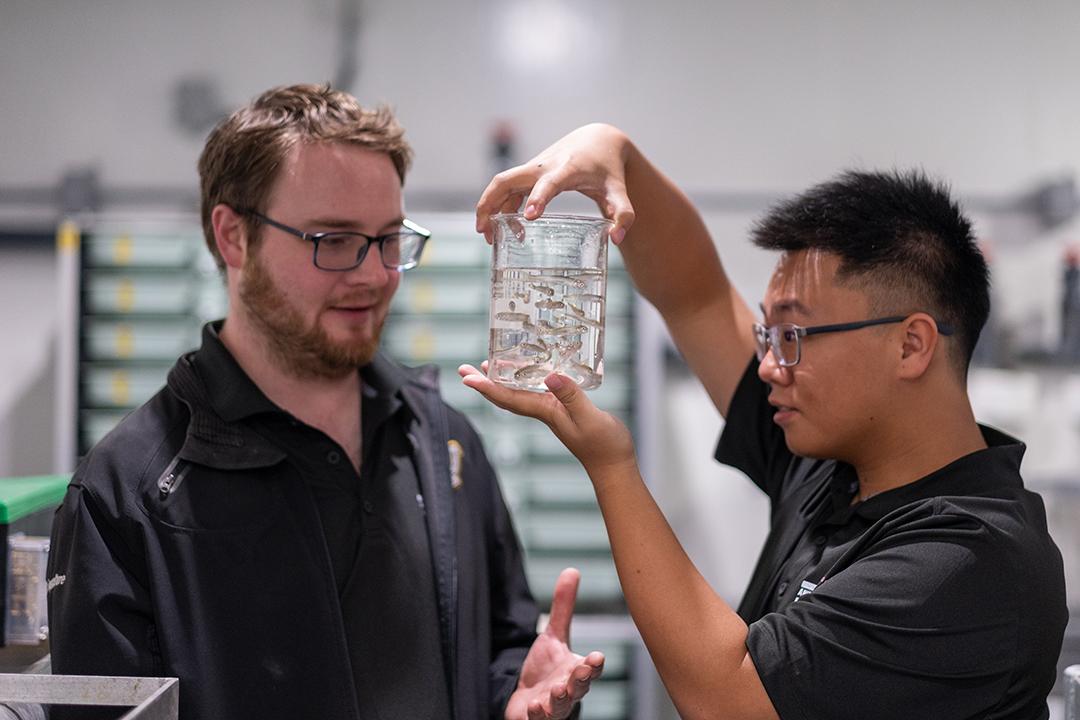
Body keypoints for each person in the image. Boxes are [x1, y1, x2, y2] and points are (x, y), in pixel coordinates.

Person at [460, 123, 1068, 720]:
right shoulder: (830, 464)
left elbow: (729, 700)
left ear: (911, 345)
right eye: (768, 334)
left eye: (795, 335)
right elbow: (693, 295)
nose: (772, 366)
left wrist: (611, 465)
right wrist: (618, 156)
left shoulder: (970, 560)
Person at [46, 85, 603, 720]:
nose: (373, 274)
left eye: (390, 238)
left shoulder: (442, 441)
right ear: (233, 237)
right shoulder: (127, 491)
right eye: (333, 240)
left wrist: (515, 697)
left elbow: (501, 643)